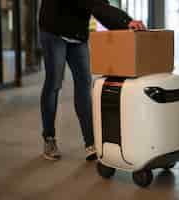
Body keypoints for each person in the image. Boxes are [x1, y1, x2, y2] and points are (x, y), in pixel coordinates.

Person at [39, 0, 146, 161]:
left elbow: (101, 6)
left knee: (84, 85)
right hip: (54, 30)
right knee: (54, 83)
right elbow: (95, 5)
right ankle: (49, 138)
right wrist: (126, 22)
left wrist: (126, 23)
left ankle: (90, 142)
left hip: (77, 34)